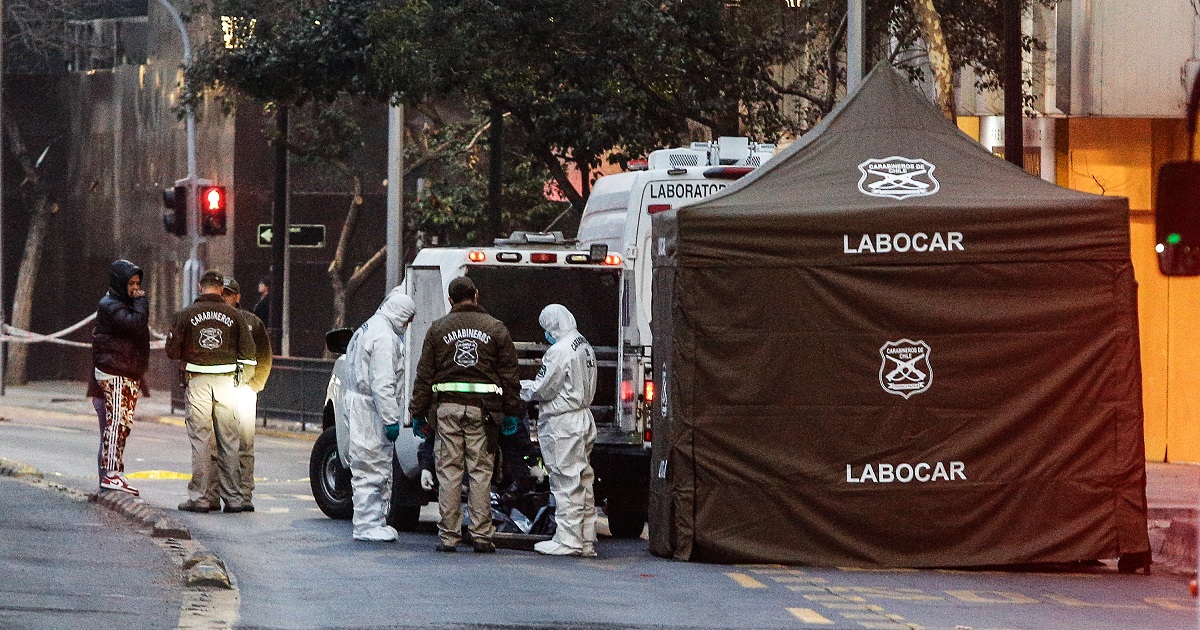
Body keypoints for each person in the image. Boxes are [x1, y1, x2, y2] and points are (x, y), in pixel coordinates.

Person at [410, 276, 521, 553]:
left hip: (446, 410)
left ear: (451, 299)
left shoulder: (438, 329)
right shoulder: (496, 328)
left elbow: (424, 376)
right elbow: (509, 375)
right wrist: (511, 412)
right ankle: (482, 536)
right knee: (480, 472)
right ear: (476, 294)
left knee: (449, 472)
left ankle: (449, 537)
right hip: (484, 413)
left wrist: (417, 412)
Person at [166, 270, 256, 514]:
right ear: (221, 289)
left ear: (199, 286)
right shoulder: (235, 315)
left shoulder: (186, 315)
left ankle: (201, 497)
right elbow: (249, 354)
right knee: (230, 440)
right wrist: (242, 379)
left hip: (198, 381)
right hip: (227, 382)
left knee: (202, 440)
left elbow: (172, 351)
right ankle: (234, 499)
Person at [520, 304, 598, 557]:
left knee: (565, 482)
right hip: (583, 417)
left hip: (563, 423)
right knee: (583, 480)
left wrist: (518, 387)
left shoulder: (559, 350)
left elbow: (544, 388)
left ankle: (568, 540)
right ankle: (586, 538)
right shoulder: (583, 344)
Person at [343, 287, 416, 542]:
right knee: (371, 466)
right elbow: (383, 384)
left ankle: (373, 521)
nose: (407, 325)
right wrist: (391, 419)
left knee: (370, 464)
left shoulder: (369, 327)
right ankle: (366, 525)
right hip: (370, 411)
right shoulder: (384, 337)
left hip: (360, 406)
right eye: (407, 320)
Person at [202, 278, 273, 512]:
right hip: (217, 387)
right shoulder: (210, 319)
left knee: (244, 444)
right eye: (222, 294)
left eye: (229, 294)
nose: (225, 298)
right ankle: (213, 494)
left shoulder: (252, 322)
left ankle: (244, 494)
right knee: (214, 445)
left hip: (243, 388)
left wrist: (254, 385)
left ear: (237, 297)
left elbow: (264, 355)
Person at [90, 259, 150, 496]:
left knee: (122, 424)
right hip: (115, 371)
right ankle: (111, 474)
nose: (135, 288)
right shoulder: (111, 305)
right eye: (131, 283)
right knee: (116, 423)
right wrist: (141, 301)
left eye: (137, 283)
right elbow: (135, 325)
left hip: (126, 370)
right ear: (119, 282)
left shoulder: (123, 304)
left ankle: (115, 472)